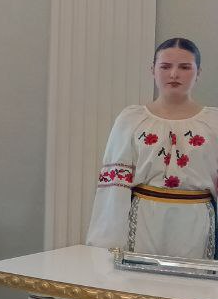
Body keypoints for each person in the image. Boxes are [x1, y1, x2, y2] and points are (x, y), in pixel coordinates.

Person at [88, 37, 216, 259]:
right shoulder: (131, 120)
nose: (174, 74)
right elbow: (114, 186)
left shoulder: (213, 123)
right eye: (165, 66)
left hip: (197, 222)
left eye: (184, 67)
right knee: (141, 279)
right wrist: (107, 243)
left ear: (198, 72)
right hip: (145, 219)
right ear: (153, 70)